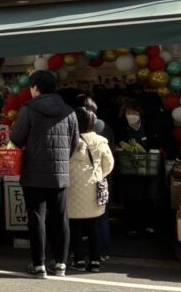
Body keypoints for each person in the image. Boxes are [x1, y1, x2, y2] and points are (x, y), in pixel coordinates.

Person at [11, 69, 79, 279]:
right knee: (61, 218)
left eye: (31, 87)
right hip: (59, 174)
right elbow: (75, 144)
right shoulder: (69, 111)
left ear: (36, 88)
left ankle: (38, 264)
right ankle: (60, 264)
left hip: (33, 174)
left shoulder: (29, 110)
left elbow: (17, 139)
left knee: (37, 218)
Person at [67, 101, 114, 273]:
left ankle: (78, 260)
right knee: (93, 227)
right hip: (93, 187)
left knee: (74, 227)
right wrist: (100, 175)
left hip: (72, 188)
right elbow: (109, 163)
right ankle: (95, 262)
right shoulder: (100, 141)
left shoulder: (69, 140)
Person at [116, 98, 161, 237]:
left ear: (140, 113)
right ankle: (132, 226)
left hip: (147, 168)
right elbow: (118, 142)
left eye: (134, 112)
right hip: (129, 169)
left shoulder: (149, 126)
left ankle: (148, 224)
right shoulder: (121, 127)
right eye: (128, 112)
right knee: (130, 198)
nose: (131, 115)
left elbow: (156, 143)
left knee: (148, 197)